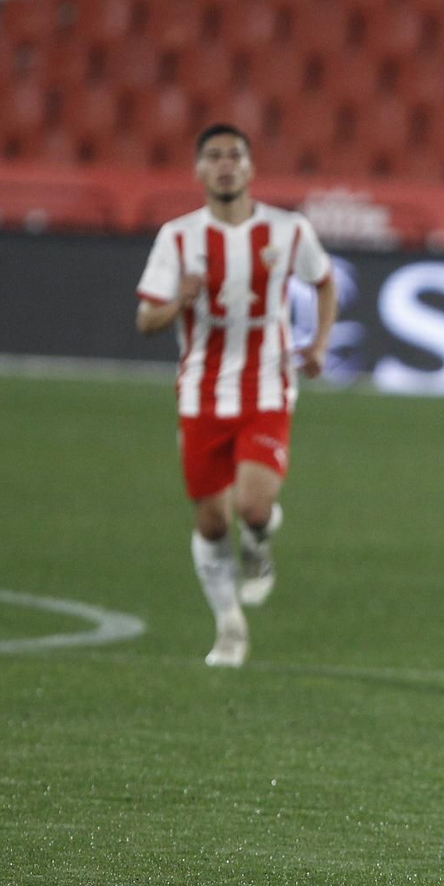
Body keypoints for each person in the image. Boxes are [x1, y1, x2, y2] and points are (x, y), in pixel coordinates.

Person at [134, 123, 337, 667]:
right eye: (214, 156)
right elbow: (146, 320)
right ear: (199, 170)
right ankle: (229, 625)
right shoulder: (177, 238)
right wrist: (179, 301)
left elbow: (324, 281)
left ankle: (259, 542)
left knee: (252, 505)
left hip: (268, 385)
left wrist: (318, 344)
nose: (225, 164)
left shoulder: (288, 230)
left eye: (234, 155)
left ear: (250, 167)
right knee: (211, 522)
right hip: (201, 394)